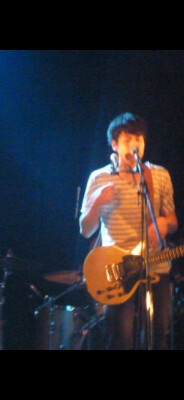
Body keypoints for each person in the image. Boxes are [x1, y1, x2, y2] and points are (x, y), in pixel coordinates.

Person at [79, 112, 178, 350]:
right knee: (121, 338)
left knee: (158, 336)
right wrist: (98, 202)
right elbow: (85, 230)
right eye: (127, 139)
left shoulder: (159, 174)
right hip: (119, 270)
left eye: (139, 139)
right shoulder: (99, 177)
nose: (135, 144)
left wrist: (164, 223)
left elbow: (173, 220)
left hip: (156, 267)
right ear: (114, 144)